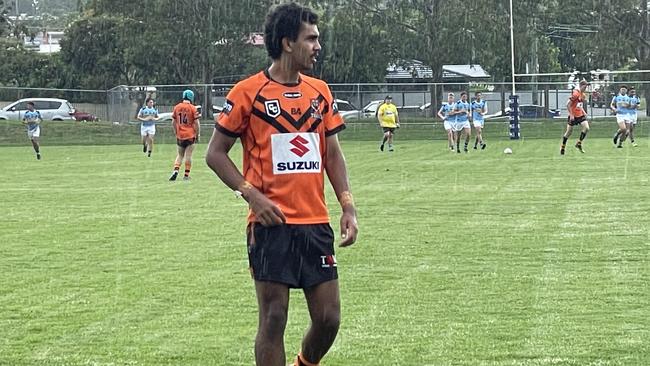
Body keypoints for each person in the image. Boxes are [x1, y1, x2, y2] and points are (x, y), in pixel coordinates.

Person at [205, 3, 358, 366]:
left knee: (328, 318)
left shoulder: (320, 92)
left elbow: (332, 155)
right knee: (274, 318)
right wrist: (252, 196)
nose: (318, 46)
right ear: (288, 43)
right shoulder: (248, 92)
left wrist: (347, 204)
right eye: (311, 39)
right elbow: (215, 153)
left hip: (314, 224)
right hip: (270, 226)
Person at [169, 90, 200, 181]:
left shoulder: (177, 107)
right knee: (188, 155)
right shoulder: (193, 108)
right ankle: (186, 175)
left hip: (180, 135)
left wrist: (176, 131)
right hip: (190, 135)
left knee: (180, 155)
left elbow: (173, 122)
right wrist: (197, 134)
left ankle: (175, 170)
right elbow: (196, 123)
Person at [560, 80, 590, 155]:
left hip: (580, 115)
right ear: (581, 86)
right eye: (585, 87)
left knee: (586, 128)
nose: (586, 88)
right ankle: (563, 146)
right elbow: (568, 104)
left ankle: (579, 143)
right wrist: (571, 115)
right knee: (569, 132)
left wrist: (583, 112)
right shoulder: (576, 93)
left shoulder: (582, 95)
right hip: (573, 115)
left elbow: (579, 105)